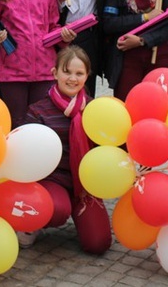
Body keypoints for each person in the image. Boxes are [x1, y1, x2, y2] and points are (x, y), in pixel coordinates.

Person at [18, 46, 111, 254]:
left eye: (79, 73)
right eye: (67, 71)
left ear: (87, 76)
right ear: (55, 73)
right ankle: (33, 222)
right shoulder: (38, 110)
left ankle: (79, 213)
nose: (72, 78)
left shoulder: (96, 110)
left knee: (98, 244)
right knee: (56, 210)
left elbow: (110, 149)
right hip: (53, 180)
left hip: (86, 184)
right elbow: (24, 155)